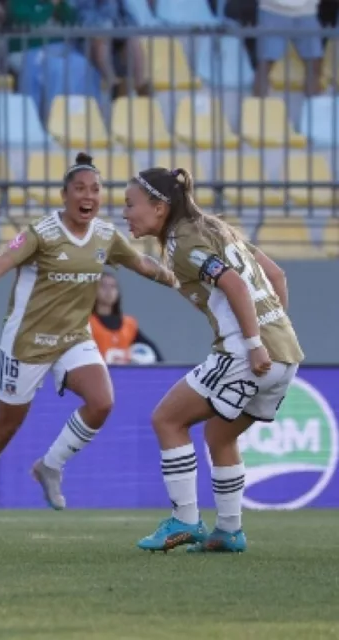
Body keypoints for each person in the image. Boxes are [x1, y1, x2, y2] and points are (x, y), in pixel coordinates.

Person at [0, 152, 178, 527]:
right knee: (5, 427)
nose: (89, 196)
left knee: (101, 402)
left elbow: (140, 263)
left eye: (96, 189)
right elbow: (3, 261)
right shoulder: (42, 233)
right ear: (65, 195)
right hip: (27, 343)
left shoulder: (105, 235)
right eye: (80, 189)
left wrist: (176, 278)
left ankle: (50, 466)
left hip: (72, 338)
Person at [123, 167, 302, 553]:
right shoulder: (220, 229)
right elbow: (277, 275)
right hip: (287, 353)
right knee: (221, 435)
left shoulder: (182, 244)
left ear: (159, 207)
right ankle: (229, 530)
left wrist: (254, 343)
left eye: (130, 204)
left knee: (167, 420)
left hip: (246, 352)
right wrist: (272, 333)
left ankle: (185, 521)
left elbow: (234, 285)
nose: (125, 213)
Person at [90, 272, 163, 364]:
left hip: (123, 375)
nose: (108, 291)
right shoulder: (86, 323)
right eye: (103, 286)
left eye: (113, 286)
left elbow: (152, 350)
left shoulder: (129, 323)